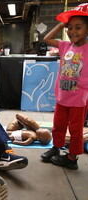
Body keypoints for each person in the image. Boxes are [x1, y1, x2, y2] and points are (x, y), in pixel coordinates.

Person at [41, 3, 88, 170]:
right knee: (58, 126)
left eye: (78, 28)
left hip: (78, 100)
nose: (73, 31)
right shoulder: (65, 46)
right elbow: (46, 39)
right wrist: (62, 23)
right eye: (70, 27)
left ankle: (71, 157)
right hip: (62, 97)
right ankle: (56, 148)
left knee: (75, 130)